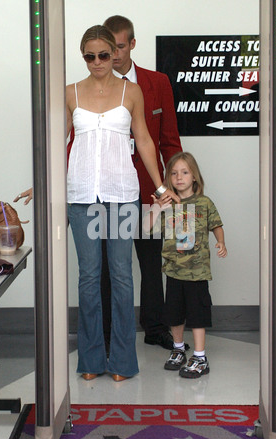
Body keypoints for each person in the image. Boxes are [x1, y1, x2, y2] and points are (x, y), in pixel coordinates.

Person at [66, 25, 178, 382]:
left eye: (104, 54)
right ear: (82, 56)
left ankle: (123, 361)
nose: (98, 62)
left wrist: (160, 189)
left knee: (121, 277)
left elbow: (144, 140)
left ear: (115, 54)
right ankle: (92, 359)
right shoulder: (70, 93)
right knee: (87, 278)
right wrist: (42, 182)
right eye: (90, 56)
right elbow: (57, 144)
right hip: (82, 195)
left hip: (122, 195)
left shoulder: (132, 92)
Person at [100, 15, 184, 352]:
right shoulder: (96, 86)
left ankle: (155, 327)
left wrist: (176, 186)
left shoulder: (158, 82)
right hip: (108, 190)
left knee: (151, 262)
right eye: (108, 48)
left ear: (132, 44)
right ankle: (105, 332)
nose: (114, 54)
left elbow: (169, 141)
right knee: (108, 264)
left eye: (119, 46)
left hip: (151, 191)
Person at [143, 151, 227, 378]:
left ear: (195, 177)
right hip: (173, 272)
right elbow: (145, 228)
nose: (179, 177)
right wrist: (157, 207)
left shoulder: (204, 203)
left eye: (185, 172)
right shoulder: (167, 204)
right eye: (174, 173)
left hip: (197, 273)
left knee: (197, 315)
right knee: (174, 315)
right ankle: (178, 350)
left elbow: (216, 224)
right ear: (168, 179)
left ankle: (200, 357)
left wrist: (220, 241)